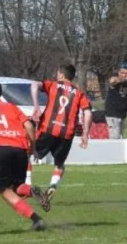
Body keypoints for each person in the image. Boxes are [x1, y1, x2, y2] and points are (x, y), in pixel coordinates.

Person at [0, 80, 49, 229]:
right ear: (0, 94)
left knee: (5, 190)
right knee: (18, 186)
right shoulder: (12, 107)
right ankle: (32, 190)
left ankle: (36, 219)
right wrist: (32, 148)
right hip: (19, 149)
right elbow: (29, 126)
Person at [29, 64, 92, 204]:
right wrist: (85, 133)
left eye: (58, 73)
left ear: (61, 75)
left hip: (47, 128)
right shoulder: (79, 93)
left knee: (27, 153)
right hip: (66, 134)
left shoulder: (53, 85)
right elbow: (87, 112)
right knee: (60, 165)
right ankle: (52, 186)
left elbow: (34, 85)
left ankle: (27, 184)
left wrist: (36, 107)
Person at [105, 63, 127, 140]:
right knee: (115, 139)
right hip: (112, 115)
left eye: (126, 73)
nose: (124, 75)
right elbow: (112, 81)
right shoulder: (115, 81)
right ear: (119, 73)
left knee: (120, 138)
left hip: (122, 115)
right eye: (122, 73)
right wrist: (123, 79)